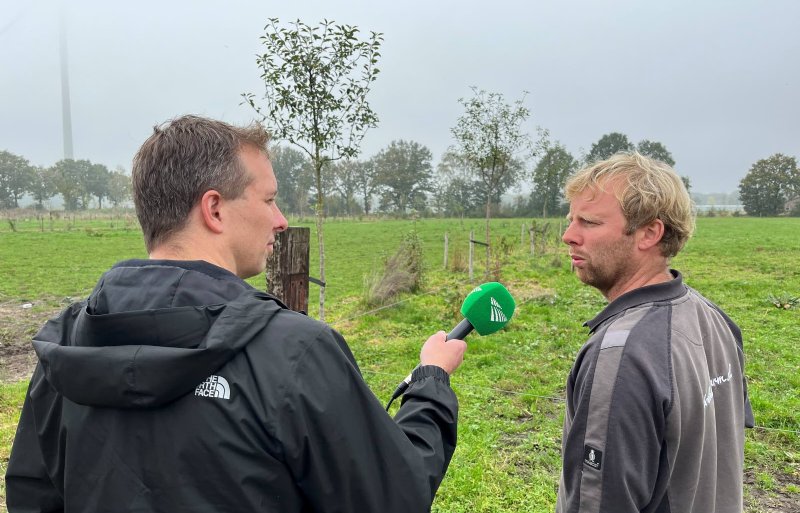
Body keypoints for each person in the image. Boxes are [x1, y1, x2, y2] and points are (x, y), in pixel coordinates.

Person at [6, 115, 467, 512]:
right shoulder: (295, 352)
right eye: (268, 199)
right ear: (214, 209)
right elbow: (392, 497)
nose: (281, 219)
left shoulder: (65, 344)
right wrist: (430, 384)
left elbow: (33, 495)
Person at [556, 152, 754, 513]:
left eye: (588, 222)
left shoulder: (620, 357)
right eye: (571, 220)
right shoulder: (715, 320)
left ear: (649, 232)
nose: (569, 235)